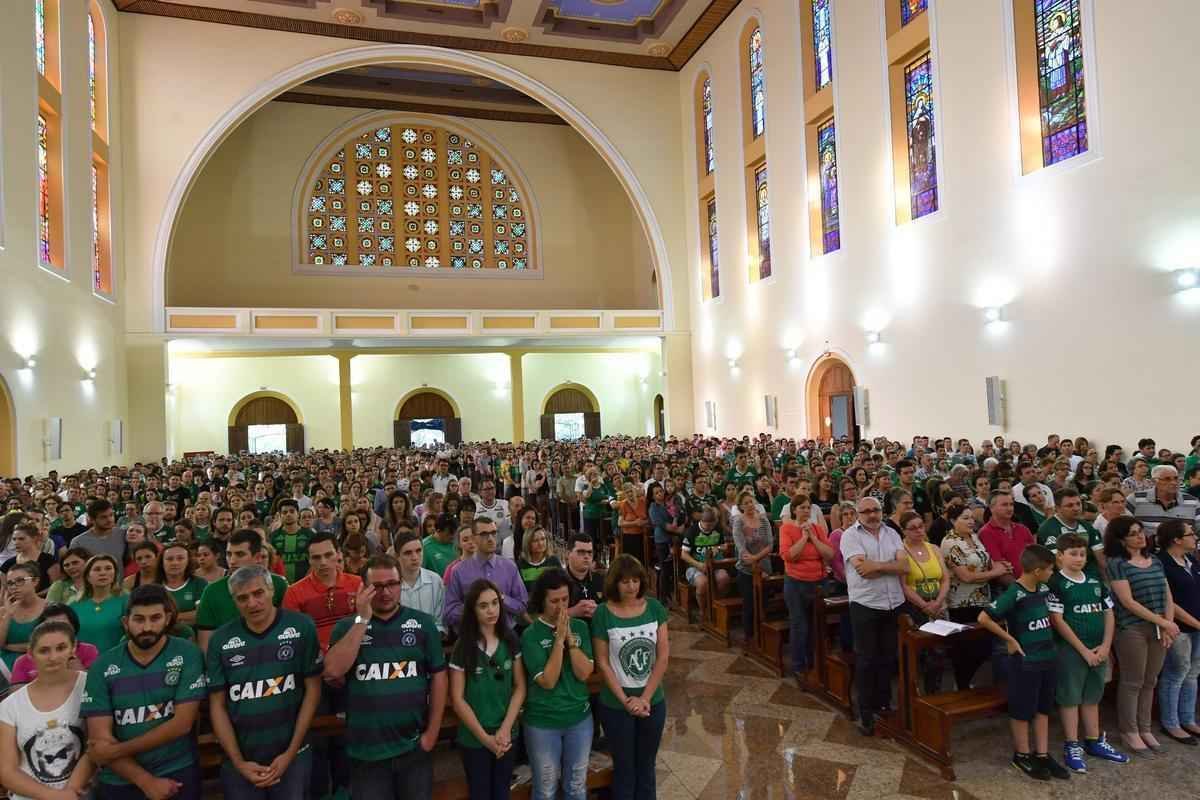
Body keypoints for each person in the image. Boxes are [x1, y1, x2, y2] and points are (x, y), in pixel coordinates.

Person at [324, 555, 447, 800]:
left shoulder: (422, 624)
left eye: (392, 584)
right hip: (366, 754)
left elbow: (439, 677)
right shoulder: (347, 627)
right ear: (364, 589)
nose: (386, 592)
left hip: (413, 748)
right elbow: (333, 671)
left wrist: (432, 733)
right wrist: (362, 619)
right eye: (377, 586)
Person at [82, 584, 207, 800]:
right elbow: (100, 739)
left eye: (155, 618)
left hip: (177, 770)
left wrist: (116, 751)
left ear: (167, 619)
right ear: (125, 622)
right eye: (139, 619)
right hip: (120, 778)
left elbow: (182, 724)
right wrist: (146, 781)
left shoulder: (188, 653)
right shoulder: (102, 666)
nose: (147, 627)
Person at [207, 565, 323, 799]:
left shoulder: (301, 627)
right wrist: (239, 762)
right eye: (242, 598)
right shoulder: (220, 639)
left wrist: (290, 754)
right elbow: (217, 705)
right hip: (240, 761)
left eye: (258, 593)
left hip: (293, 755)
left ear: (271, 591)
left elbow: (313, 691)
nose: (251, 603)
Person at [977, 544, 1070, 781]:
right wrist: (1008, 639)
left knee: (1043, 708)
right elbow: (984, 617)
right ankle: (1022, 754)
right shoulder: (1014, 593)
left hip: (1047, 657)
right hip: (1026, 661)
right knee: (1022, 710)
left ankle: (1042, 753)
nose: (1052, 573)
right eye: (1050, 569)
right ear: (1037, 570)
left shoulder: (1043, 589)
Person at [1045, 532, 1128, 773]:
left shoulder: (1094, 580)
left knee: (1092, 696)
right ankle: (1072, 744)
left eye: (1082, 554)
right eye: (1073, 554)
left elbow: (1108, 613)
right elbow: (1057, 620)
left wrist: (1105, 646)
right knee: (1070, 698)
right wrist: (1083, 651)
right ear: (1060, 556)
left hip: (1098, 649)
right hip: (1071, 651)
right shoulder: (1056, 583)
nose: (1078, 558)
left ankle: (1093, 741)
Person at [592, 555, 668, 800]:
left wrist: (644, 698)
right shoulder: (603, 613)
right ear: (615, 582)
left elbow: (663, 656)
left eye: (635, 580)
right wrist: (626, 700)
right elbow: (603, 662)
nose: (631, 586)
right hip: (616, 704)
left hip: (652, 701)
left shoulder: (655, 608)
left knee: (646, 767)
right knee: (624, 768)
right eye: (625, 581)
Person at [1103, 516, 1175, 754]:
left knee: (1150, 681)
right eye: (1133, 533)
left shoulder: (1154, 560)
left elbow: (1167, 595)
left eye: (1141, 531)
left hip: (1159, 627)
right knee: (1132, 681)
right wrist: (1162, 621)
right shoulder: (1117, 563)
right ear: (1121, 539)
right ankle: (1129, 730)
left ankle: (1145, 728)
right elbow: (1127, 601)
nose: (1140, 536)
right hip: (1132, 628)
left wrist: (1168, 624)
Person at [449, 579, 527, 800]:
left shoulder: (510, 640)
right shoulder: (463, 646)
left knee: (502, 792)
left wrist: (504, 729)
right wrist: (485, 739)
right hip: (475, 737)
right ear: (472, 610)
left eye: (495, 603)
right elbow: (457, 699)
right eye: (483, 606)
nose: (491, 610)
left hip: (505, 735)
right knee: (480, 793)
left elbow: (520, 687)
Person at [520, 570, 594, 800]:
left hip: (579, 720)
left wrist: (570, 640)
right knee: (546, 788)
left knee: (577, 786)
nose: (561, 606)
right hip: (543, 722)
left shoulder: (580, 628)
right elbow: (548, 680)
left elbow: (584, 673)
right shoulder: (530, 635)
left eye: (565, 600)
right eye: (554, 601)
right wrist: (558, 640)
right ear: (542, 601)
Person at [0, 620, 93, 799]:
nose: (53, 657)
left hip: (82, 793)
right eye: (44, 650)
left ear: (73, 648)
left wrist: (71, 791)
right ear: (30, 653)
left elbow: (96, 744)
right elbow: (7, 771)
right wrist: (54, 796)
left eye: (61, 648)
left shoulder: (90, 686)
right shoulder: (10, 706)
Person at [839, 496, 906, 736]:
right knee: (867, 659)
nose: (872, 515)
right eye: (866, 511)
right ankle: (865, 712)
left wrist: (877, 565)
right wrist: (890, 565)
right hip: (866, 604)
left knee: (888, 657)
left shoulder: (892, 533)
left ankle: (884, 704)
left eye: (875, 510)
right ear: (858, 514)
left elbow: (905, 566)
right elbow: (862, 570)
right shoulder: (850, 536)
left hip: (893, 603)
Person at [939, 506, 1003, 689]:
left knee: (984, 645)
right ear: (953, 521)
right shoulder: (950, 542)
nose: (970, 521)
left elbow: (987, 561)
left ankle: (965, 684)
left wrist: (997, 567)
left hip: (982, 598)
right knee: (966, 648)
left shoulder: (974, 537)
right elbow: (965, 576)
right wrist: (995, 572)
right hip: (961, 601)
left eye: (971, 518)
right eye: (964, 518)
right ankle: (961, 686)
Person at [196, 530, 290, 653]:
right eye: (229, 554)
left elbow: (288, 629)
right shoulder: (211, 592)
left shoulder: (278, 584)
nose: (232, 560)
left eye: (240, 554)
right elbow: (206, 645)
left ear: (257, 557)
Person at [779, 495, 832, 685]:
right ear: (794, 510)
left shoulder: (817, 528)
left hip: (818, 582)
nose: (806, 511)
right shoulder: (786, 528)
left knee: (816, 625)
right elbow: (788, 556)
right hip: (796, 583)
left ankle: (815, 662)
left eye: (808, 508)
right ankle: (799, 666)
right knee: (800, 625)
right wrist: (803, 539)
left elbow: (829, 553)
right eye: (802, 508)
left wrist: (814, 539)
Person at [1156, 519, 1200, 742]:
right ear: (1176, 539)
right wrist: (1195, 623)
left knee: (1192, 673)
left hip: (1197, 626)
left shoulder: (1190, 560)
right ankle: (1171, 723)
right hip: (1179, 628)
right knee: (1176, 673)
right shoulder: (1162, 562)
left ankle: (1188, 718)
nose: (1195, 537)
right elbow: (1170, 602)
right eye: (1191, 534)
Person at [444, 518, 528, 632]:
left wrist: (501, 598)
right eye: (484, 534)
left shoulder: (510, 567)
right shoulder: (458, 571)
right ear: (473, 538)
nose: (490, 539)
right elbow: (449, 612)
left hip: (505, 636)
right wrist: (475, 607)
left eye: (493, 533)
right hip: (473, 638)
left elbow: (522, 605)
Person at [282, 531, 361, 652]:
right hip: (314, 660)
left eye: (328, 555)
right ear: (309, 559)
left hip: (356, 653)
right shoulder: (294, 593)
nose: (323, 562)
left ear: (338, 554)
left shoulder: (358, 584)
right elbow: (294, 635)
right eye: (316, 557)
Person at [9, 604, 100, 684]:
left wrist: (77, 668)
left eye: (63, 626)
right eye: (50, 627)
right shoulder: (22, 661)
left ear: (74, 627)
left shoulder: (88, 650)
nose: (57, 632)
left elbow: (96, 688)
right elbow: (17, 698)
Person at [69, 555, 127, 655]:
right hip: (83, 663)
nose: (103, 573)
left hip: (116, 662)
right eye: (97, 569)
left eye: (108, 568)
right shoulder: (73, 605)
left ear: (115, 574)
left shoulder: (126, 601)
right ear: (88, 577)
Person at [0, 563, 48, 681]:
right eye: (10, 583)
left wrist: (8, 647)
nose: (14, 586)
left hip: (39, 665)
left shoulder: (51, 609)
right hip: (4, 667)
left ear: (35, 581)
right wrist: (8, 614)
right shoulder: (4, 611)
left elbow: (45, 645)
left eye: (20, 580)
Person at [394, 532, 446, 634]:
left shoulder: (435, 581)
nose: (415, 557)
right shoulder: (389, 584)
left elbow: (440, 623)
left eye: (418, 551)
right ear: (397, 556)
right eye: (408, 553)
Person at [0, 522, 59, 593]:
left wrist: (35, 597)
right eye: (14, 539)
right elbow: (4, 591)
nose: (16, 542)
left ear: (34, 538)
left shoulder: (49, 560)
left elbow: (56, 586)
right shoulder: (7, 564)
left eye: (21, 539)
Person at [563, 534, 604, 630]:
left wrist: (599, 611)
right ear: (568, 554)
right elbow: (543, 617)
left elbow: (614, 608)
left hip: (598, 633)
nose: (586, 556)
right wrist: (573, 612)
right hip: (568, 633)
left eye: (590, 552)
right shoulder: (557, 581)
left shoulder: (601, 579)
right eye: (581, 552)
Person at [269, 499, 312, 585]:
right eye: (284, 512)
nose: (288, 514)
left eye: (292, 511)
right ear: (280, 515)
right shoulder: (274, 536)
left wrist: (307, 579)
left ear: (298, 514)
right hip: (280, 584)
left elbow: (314, 561)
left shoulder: (309, 535)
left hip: (305, 584)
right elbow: (271, 562)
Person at [71, 500, 125, 567]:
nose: (109, 520)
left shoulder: (123, 534)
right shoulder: (78, 542)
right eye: (103, 517)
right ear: (91, 519)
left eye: (111, 515)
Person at [518, 527, 562, 595]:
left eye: (543, 539)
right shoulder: (520, 564)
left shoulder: (553, 561)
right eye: (535, 540)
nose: (540, 543)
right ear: (527, 543)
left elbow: (561, 585)